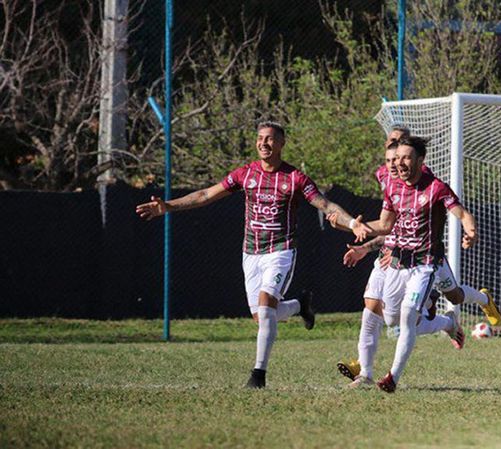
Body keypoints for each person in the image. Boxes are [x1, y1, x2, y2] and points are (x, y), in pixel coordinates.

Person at [135, 120, 371, 389]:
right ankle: (299, 305)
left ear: (281, 144)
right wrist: (167, 207)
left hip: (280, 251)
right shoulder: (245, 175)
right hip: (251, 253)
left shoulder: (295, 178)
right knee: (262, 317)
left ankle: (258, 375)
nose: (264, 143)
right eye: (260, 138)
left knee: (266, 302)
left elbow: (325, 204)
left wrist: (353, 223)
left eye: (270, 139)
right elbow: (204, 194)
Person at [329, 139, 466, 388]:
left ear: (418, 160)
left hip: (425, 260)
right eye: (391, 158)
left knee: (448, 299)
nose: (396, 162)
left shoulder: (433, 186)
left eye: (401, 157)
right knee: (384, 314)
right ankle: (365, 372)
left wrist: (469, 228)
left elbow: (457, 212)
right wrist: (352, 228)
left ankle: (388, 376)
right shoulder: (390, 184)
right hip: (392, 260)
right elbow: (387, 226)